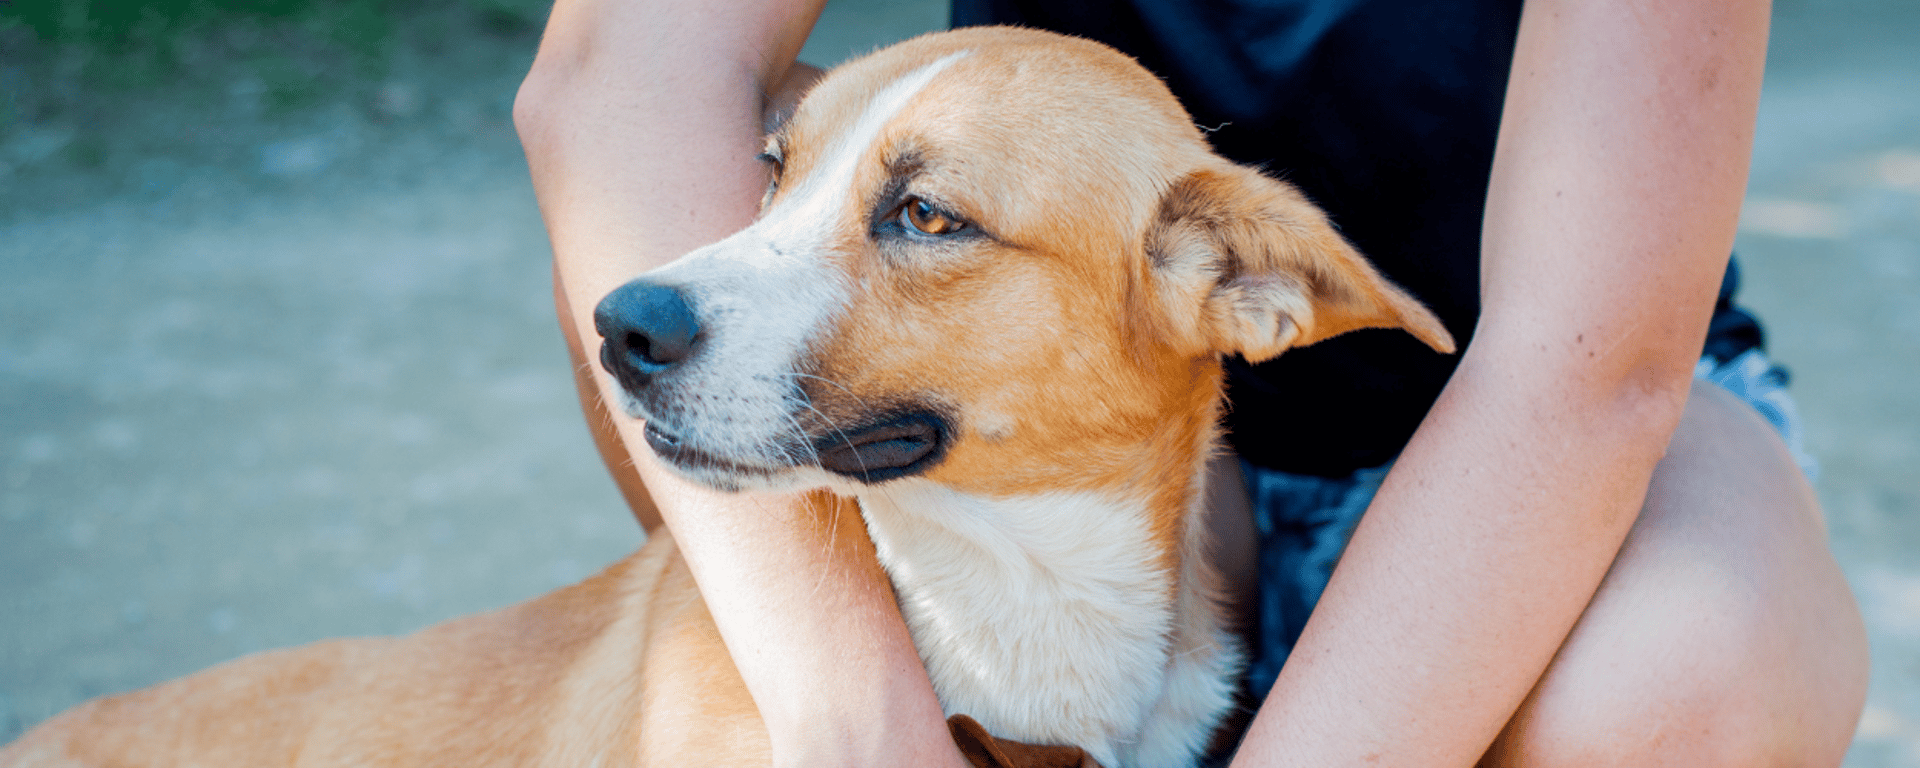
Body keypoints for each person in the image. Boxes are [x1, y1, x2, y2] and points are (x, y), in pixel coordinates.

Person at [512, 0, 1871, 765]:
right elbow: (621, 77)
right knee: (649, 211)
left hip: (1529, 424)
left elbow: (1589, 368)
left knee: (1677, 686)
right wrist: (861, 726)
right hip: (1115, 406)